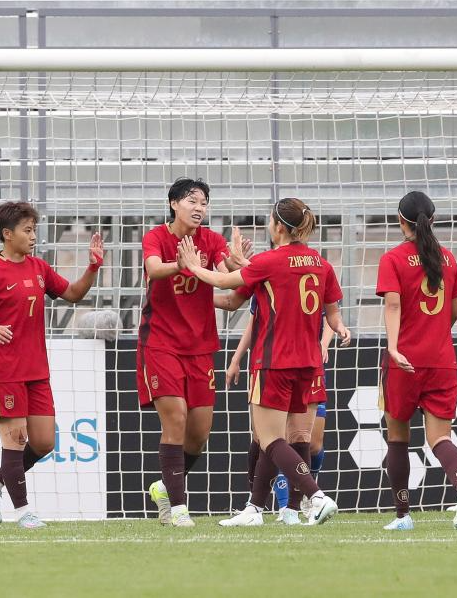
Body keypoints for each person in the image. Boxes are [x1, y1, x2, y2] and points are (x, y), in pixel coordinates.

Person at [178, 197, 350, 527]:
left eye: (270, 220)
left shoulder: (270, 261)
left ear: (279, 227)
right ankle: (261, 509)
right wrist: (340, 327)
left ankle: (316, 497)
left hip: (275, 361)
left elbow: (225, 283)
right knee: (295, 438)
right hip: (309, 363)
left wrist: (192, 266)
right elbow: (332, 311)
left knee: (270, 439)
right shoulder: (320, 263)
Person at [0, 201, 103, 528]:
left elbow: (72, 293)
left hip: (37, 371)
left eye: (34, 229)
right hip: (4, 372)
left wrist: (93, 268)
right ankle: (23, 512)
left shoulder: (38, 267)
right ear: (7, 234)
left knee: (44, 442)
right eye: (27, 230)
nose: (33, 236)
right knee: (15, 440)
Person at [139, 178, 252, 527]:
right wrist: (181, 265)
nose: (199, 207)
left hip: (201, 346)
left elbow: (228, 280)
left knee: (199, 434)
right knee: (175, 419)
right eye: (192, 200)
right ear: (174, 203)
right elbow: (153, 269)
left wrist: (241, 264)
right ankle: (178, 508)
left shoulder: (212, 240)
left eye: (203, 202)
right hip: (160, 343)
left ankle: (164, 487)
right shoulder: (156, 237)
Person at [377, 191, 457, 532]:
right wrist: (434, 333)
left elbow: (392, 305)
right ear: (432, 220)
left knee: (397, 437)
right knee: (440, 438)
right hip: (442, 359)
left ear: (399, 220)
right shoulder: (448, 259)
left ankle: (403, 515)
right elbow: (454, 311)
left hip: (403, 359)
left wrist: (394, 347)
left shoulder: (393, 258)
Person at [228, 310, 333, 525]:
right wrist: (236, 358)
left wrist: (324, 342)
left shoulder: (315, 288)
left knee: (301, 439)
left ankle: (300, 503)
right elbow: (252, 317)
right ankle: (261, 505)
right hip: (272, 360)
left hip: (303, 362)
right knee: (264, 438)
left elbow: (332, 312)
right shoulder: (263, 291)